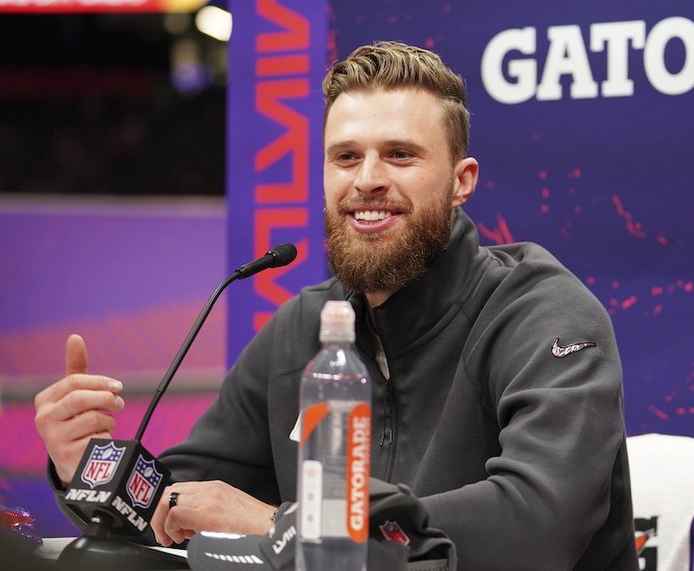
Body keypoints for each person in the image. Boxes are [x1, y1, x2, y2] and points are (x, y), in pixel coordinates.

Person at [34, 41, 638, 570]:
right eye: (346, 157)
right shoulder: (302, 329)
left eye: (400, 154)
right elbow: (177, 505)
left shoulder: (543, 312)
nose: (366, 179)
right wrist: (85, 466)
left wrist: (288, 530)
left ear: (462, 180)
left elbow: (536, 528)